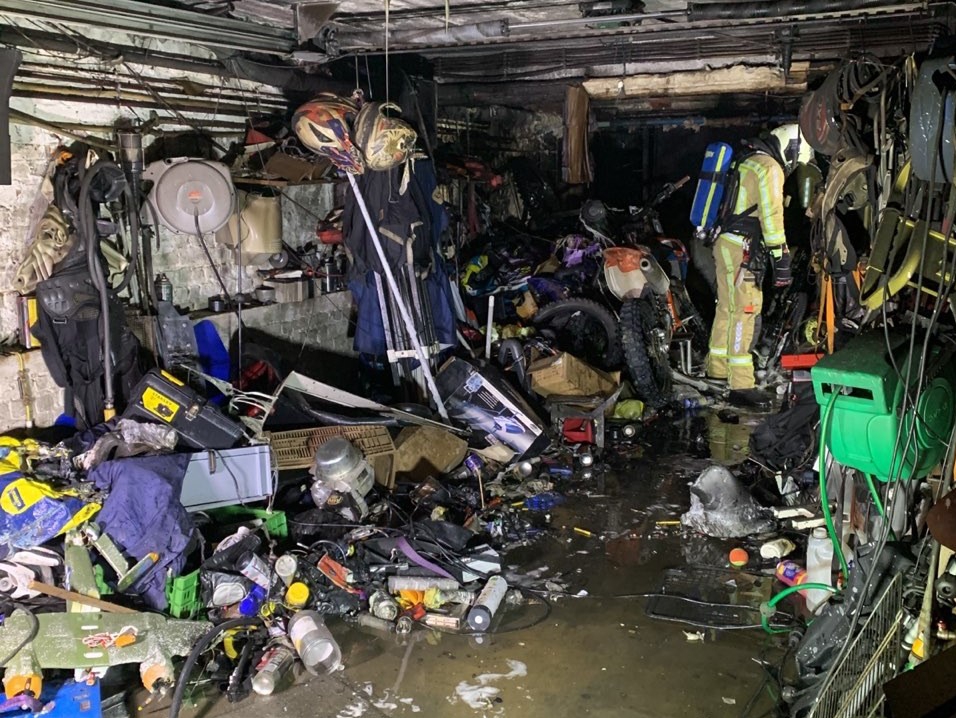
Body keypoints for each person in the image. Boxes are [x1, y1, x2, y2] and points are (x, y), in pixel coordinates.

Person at [704, 123, 813, 408]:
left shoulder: (747, 159)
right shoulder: (769, 168)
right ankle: (741, 384)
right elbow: (771, 215)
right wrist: (781, 256)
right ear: (791, 150)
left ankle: (717, 371)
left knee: (726, 307)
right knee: (746, 309)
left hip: (725, 242)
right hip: (743, 248)